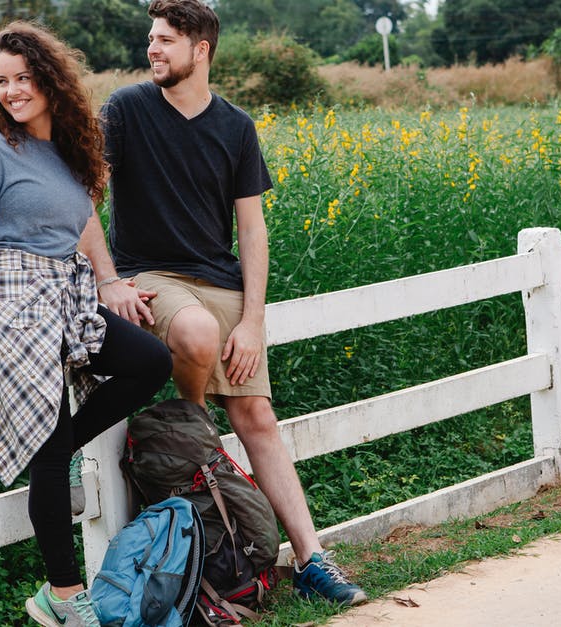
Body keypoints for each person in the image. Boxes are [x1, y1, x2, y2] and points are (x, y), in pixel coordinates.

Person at [83, 0, 368, 607]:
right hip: (152, 278)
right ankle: (195, 437)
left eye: (164, 41)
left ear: (200, 49)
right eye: (151, 40)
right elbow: (81, 196)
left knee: (259, 416)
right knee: (195, 333)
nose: (152, 50)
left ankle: (313, 561)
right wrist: (108, 278)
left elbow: (253, 230)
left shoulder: (236, 126)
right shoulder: (127, 109)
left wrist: (255, 321)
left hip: (222, 280)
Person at [0, 22, 171, 627]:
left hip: (64, 291)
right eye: (3, 81)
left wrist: (109, 280)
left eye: (25, 78)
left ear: (51, 80)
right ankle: (63, 595)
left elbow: (84, 222)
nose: (13, 91)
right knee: (47, 437)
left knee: (150, 361)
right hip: (11, 297)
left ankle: (62, 443)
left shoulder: (71, 148)